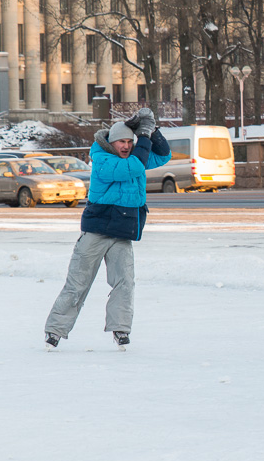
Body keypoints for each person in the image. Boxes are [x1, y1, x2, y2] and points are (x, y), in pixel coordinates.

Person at [43, 108, 171, 350]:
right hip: (96, 231)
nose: (125, 146)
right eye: (120, 141)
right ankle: (55, 331)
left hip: (122, 232)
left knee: (125, 282)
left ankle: (121, 329)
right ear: (111, 143)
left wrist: (151, 131)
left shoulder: (136, 155)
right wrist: (142, 137)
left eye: (128, 141)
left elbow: (163, 156)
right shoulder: (103, 159)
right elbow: (133, 168)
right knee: (78, 283)